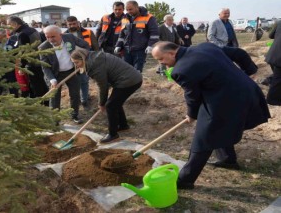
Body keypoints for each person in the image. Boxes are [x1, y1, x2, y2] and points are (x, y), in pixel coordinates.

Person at [151, 41, 270, 189]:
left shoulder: (181, 70)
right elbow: (239, 53)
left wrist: (192, 114)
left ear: (171, 53)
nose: (161, 64)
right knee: (219, 126)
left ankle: (185, 180)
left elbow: (193, 96)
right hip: (247, 90)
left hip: (227, 100)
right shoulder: (206, 46)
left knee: (203, 138)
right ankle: (227, 159)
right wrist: (250, 71)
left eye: (161, 59)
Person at [71, 48, 142, 143]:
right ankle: (123, 125)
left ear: (83, 58)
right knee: (115, 102)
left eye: (77, 62)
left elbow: (103, 86)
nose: (76, 65)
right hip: (130, 78)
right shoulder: (94, 56)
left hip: (129, 81)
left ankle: (113, 134)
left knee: (110, 106)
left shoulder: (94, 65)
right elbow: (106, 81)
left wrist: (102, 103)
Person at [38, 25, 90, 124]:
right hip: (55, 74)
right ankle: (55, 120)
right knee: (54, 97)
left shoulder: (69, 37)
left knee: (75, 95)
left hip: (72, 71)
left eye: (53, 36)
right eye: (47, 37)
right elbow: (45, 67)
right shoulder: (43, 47)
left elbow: (85, 45)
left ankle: (74, 115)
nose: (50, 39)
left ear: (61, 34)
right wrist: (52, 80)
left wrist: (82, 58)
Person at [7, 16, 49, 100]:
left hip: (32, 64)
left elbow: (24, 52)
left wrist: (21, 67)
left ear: (15, 24)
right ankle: (44, 102)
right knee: (40, 85)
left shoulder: (22, 34)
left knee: (37, 87)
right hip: (39, 61)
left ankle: (42, 105)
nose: (7, 27)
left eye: (9, 25)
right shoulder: (32, 29)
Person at [114, 0, 159, 73]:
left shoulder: (148, 17)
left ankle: (135, 84)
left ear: (137, 8)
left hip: (140, 50)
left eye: (131, 9)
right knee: (125, 71)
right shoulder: (125, 18)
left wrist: (150, 45)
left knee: (136, 71)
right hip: (126, 50)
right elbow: (122, 34)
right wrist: (118, 45)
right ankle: (128, 84)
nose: (129, 11)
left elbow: (154, 33)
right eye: (127, 9)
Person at [65, 16, 99, 108]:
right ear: (66, 24)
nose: (72, 25)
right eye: (70, 24)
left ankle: (84, 100)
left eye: (74, 23)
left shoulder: (88, 32)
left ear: (78, 23)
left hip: (85, 61)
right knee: (74, 83)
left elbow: (95, 47)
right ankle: (77, 99)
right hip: (71, 63)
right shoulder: (64, 35)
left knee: (84, 81)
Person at [265, 20, 281, 105]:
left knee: (277, 77)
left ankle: (269, 80)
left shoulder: (279, 22)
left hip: (273, 54)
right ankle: (272, 100)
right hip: (279, 58)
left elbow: (271, 35)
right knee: (278, 79)